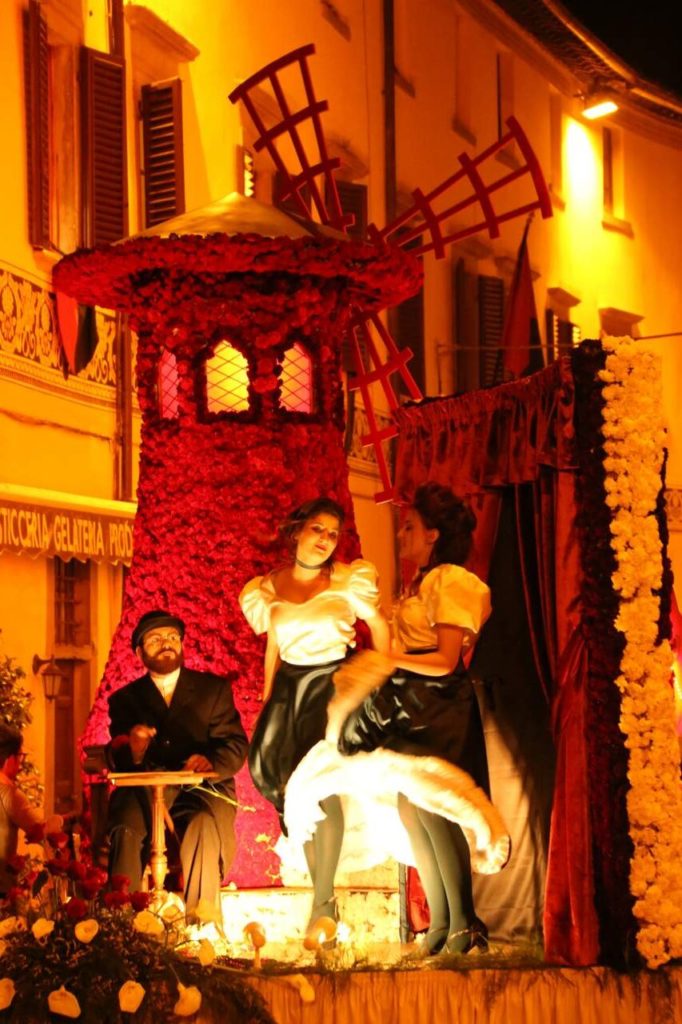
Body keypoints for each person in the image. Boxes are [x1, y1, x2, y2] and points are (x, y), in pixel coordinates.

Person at [338, 483, 498, 954]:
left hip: (439, 702)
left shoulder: (450, 579)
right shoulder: (422, 583)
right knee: (410, 807)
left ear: (433, 534)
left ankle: (465, 921)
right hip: (411, 699)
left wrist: (389, 661)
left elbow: (446, 660)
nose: (401, 534)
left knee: (433, 804)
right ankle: (442, 922)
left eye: (410, 527)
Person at [239, 497, 389, 930]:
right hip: (290, 693)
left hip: (331, 689)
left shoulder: (347, 580)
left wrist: (383, 676)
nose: (325, 539)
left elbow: (379, 627)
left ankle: (322, 903)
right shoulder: (268, 586)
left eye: (333, 534)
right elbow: (274, 645)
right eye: (318, 529)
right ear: (297, 531)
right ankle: (323, 903)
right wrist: (267, 700)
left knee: (324, 787)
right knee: (293, 794)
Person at [106, 609, 248, 914]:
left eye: (172, 637)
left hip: (201, 790)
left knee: (203, 825)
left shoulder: (212, 690)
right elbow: (117, 754)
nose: (166, 643)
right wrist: (135, 749)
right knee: (126, 822)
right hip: (145, 792)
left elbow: (236, 745)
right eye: (155, 639)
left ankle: (203, 924)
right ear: (139, 653)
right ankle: (122, 924)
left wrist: (209, 761)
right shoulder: (124, 700)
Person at [0, 724, 60, 894]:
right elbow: (39, 828)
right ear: (10, 758)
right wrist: (60, 821)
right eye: (20, 756)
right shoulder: (9, 795)